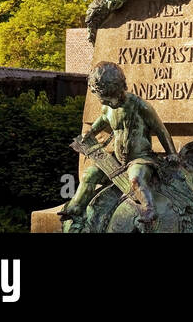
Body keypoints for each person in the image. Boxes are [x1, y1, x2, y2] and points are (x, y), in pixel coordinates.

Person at [62, 62, 176, 228]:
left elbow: (161, 130)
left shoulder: (140, 106)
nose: (108, 104)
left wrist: (172, 153)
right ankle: (75, 207)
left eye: (110, 101)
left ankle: (148, 209)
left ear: (119, 90)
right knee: (89, 175)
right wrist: (91, 132)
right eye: (105, 101)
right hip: (117, 160)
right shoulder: (107, 108)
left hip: (140, 158)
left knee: (136, 179)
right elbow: (102, 120)